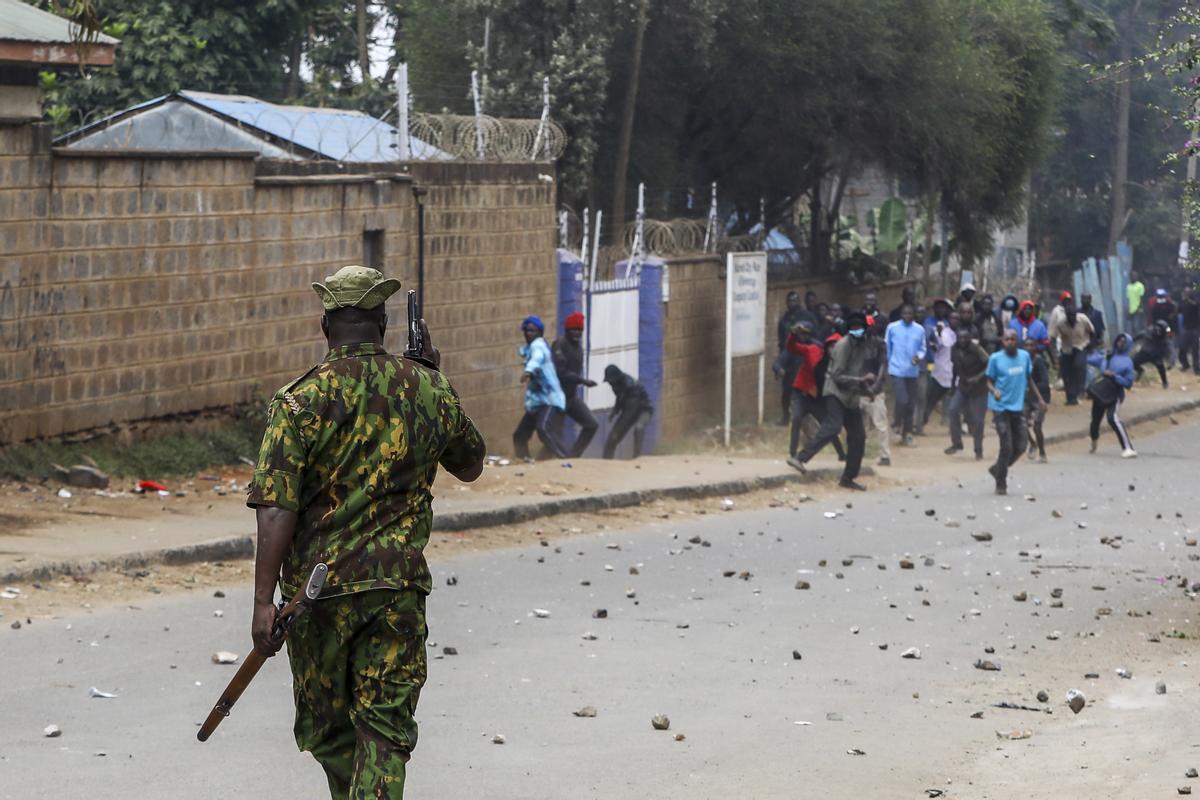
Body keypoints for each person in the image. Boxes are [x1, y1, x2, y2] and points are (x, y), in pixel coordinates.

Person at [247, 265, 486, 798]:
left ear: (324, 326)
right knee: (382, 733)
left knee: (331, 734)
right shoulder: (426, 388)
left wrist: (264, 601)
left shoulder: (298, 402)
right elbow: (470, 464)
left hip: (316, 598)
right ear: (382, 322)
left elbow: (275, 507)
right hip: (395, 593)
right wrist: (435, 378)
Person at [788, 312, 872, 491]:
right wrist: (860, 381)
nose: (857, 331)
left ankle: (848, 477)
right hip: (835, 392)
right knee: (833, 426)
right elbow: (838, 376)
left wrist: (864, 388)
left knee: (859, 436)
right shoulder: (843, 346)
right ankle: (800, 458)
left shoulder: (863, 344)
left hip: (851, 396)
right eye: (853, 328)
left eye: (860, 328)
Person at [986, 329, 1044, 495]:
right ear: (1002, 341)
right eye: (1007, 339)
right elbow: (988, 381)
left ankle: (998, 468)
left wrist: (1040, 399)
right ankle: (1001, 482)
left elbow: (1029, 379)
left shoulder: (1024, 357)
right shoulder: (995, 359)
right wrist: (994, 391)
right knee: (1006, 445)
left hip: (1017, 407)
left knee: (1021, 445)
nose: (1010, 342)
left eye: (1013, 339)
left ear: (1017, 341)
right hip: (1000, 408)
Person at [784, 320, 846, 463]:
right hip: (802, 393)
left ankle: (841, 453)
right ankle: (793, 454)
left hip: (817, 398)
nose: (833, 350)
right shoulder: (812, 350)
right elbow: (791, 346)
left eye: (836, 347)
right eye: (830, 346)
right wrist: (793, 334)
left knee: (828, 425)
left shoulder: (838, 363)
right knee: (796, 418)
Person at [513, 315, 568, 460]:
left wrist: (528, 371)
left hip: (550, 399)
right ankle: (524, 462)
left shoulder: (538, 346)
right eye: (527, 330)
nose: (529, 334)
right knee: (519, 436)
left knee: (543, 429)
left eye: (533, 331)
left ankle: (566, 459)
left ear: (539, 333)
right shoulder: (529, 348)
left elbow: (536, 359)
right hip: (536, 402)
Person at [551, 312, 599, 457]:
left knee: (591, 424)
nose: (577, 333)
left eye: (579, 330)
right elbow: (561, 372)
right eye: (573, 329)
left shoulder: (578, 348)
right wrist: (582, 381)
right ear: (566, 330)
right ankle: (545, 461)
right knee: (554, 435)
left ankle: (573, 456)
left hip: (571, 397)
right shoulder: (560, 344)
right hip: (558, 398)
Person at [1088, 332, 1136, 458]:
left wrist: (1115, 376)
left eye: (1124, 341)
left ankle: (1127, 447)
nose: (1121, 342)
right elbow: (1090, 360)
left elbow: (1128, 383)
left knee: (1112, 418)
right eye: (1119, 340)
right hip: (1101, 392)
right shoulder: (1107, 355)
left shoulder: (1127, 362)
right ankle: (1094, 441)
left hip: (1115, 394)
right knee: (1095, 421)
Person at [945, 324, 990, 459]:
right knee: (953, 410)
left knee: (978, 420)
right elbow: (955, 368)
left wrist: (978, 377)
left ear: (970, 338)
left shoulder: (977, 349)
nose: (962, 340)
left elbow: (990, 365)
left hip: (979, 389)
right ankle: (957, 443)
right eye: (960, 338)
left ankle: (978, 450)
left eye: (965, 338)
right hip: (963, 386)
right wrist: (953, 386)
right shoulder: (954, 349)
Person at [886, 303, 926, 446]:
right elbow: (888, 347)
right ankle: (897, 423)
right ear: (901, 314)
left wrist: (918, 357)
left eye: (910, 314)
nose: (908, 316)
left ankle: (907, 434)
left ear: (913, 315)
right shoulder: (892, 328)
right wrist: (890, 364)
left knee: (910, 404)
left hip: (912, 371)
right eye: (905, 313)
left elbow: (923, 348)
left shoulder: (919, 330)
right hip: (896, 369)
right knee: (902, 399)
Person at [1047, 292, 1094, 406]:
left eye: (1073, 316)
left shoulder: (1082, 319)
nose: (1071, 319)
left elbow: (1092, 332)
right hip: (1066, 348)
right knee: (1066, 372)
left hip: (1081, 345)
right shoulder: (1060, 321)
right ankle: (1070, 397)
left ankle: (1080, 389)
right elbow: (1052, 337)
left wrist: (1090, 346)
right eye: (1069, 317)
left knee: (1079, 365)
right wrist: (1054, 354)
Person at [774, 291, 812, 424]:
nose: (792, 303)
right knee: (786, 390)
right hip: (789, 356)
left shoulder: (807, 317)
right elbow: (781, 341)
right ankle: (785, 417)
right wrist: (780, 363)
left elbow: (814, 335)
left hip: (804, 356)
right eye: (790, 301)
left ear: (799, 301)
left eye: (795, 300)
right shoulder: (784, 320)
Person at [601, 365, 654, 459]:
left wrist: (619, 427)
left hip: (643, 409)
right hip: (628, 410)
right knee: (612, 438)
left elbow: (630, 411)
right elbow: (619, 398)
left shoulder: (630, 385)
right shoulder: (615, 385)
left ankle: (637, 457)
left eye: (610, 380)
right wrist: (615, 410)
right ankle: (606, 461)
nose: (609, 383)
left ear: (616, 378)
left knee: (639, 427)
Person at [862, 316, 891, 466]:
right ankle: (859, 453)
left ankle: (885, 455)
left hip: (876, 390)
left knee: (880, 423)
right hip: (860, 389)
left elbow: (882, 366)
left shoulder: (880, 345)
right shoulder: (857, 344)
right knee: (860, 426)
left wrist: (875, 386)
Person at [922, 303, 956, 428]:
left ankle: (949, 421)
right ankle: (922, 421)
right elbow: (933, 344)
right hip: (937, 368)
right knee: (931, 397)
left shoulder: (958, 332)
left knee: (951, 397)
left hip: (952, 370)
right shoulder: (932, 325)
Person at [1024, 338, 1051, 463]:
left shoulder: (1039, 362)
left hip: (1041, 398)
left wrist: (1030, 388)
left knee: (1036, 426)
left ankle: (1042, 452)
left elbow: (1045, 382)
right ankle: (1032, 443)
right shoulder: (1022, 361)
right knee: (1021, 423)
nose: (1029, 347)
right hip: (1027, 398)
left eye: (1031, 345)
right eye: (1027, 345)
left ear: (1036, 347)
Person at [1132, 319, 1171, 388]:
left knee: (1161, 368)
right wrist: (1131, 341)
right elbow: (1141, 334)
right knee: (1133, 362)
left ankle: (1165, 382)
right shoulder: (1150, 330)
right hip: (1145, 352)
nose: (1158, 331)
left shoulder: (1166, 332)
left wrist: (1170, 360)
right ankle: (1140, 370)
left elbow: (1169, 347)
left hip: (1156, 355)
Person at [1178, 285, 1200, 375]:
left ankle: (1197, 369)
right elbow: (1178, 311)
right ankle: (1185, 365)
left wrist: (1189, 300)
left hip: (1195, 329)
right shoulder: (1182, 303)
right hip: (1186, 329)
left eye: (1188, 292)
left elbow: (1196, 305)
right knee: (1182, 349)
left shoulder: (1195, 302)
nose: (1186, 294)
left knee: (1195, 350)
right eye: (1185, 292)